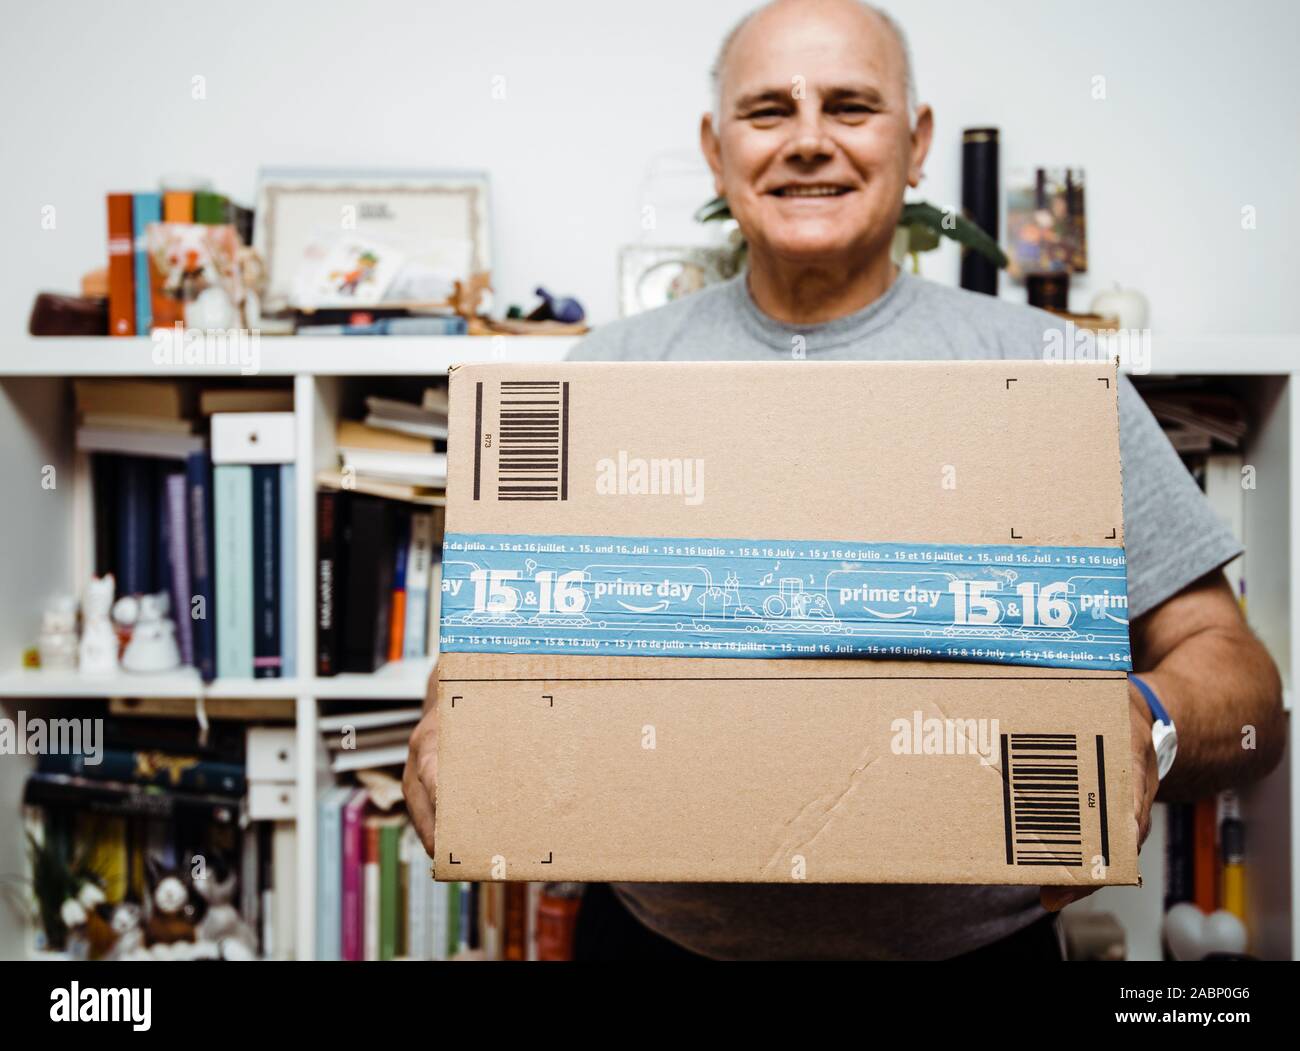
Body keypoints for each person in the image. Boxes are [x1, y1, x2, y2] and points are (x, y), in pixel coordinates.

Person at [404, 0, 1285, 960]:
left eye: (851, 107)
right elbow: (511, 639)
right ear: (716, 147)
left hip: (977, 953)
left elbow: (1242, 684)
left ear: (917, 146)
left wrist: (1146, 719)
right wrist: (450, 722)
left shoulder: (1043, 368)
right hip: (657, 944)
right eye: (769, 111)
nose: (810, 141)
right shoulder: (608, 376)